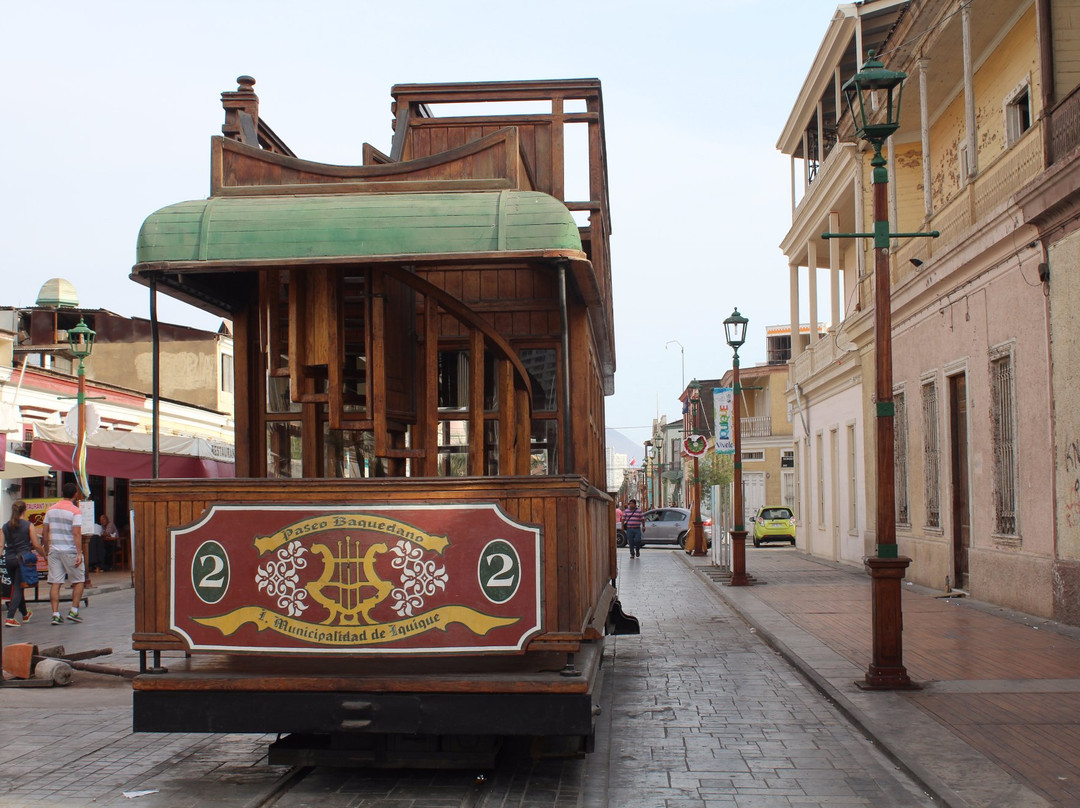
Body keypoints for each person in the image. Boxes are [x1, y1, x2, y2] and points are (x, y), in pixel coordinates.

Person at [42, 482, 85, 625]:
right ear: (75, 494)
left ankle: (55, 613)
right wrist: (79, 552)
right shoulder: (76, 511)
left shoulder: (50, 510)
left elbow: (45, 531)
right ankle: (74, 610)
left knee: (55, 582)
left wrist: (47, 550)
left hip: (54, 550)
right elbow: (76, 533)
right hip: (70, 550)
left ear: (62, 493)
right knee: (78, 580)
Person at [1, 500, 44, 627]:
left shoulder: (5, 526)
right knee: (18, 588)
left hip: (9, 559)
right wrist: (44, 555)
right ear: (24, 511)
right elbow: (36, 545)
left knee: (18, 585)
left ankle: (25, 613)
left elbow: (1, 545)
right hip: (23, 559)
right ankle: (10, 617)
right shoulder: (28, 525)